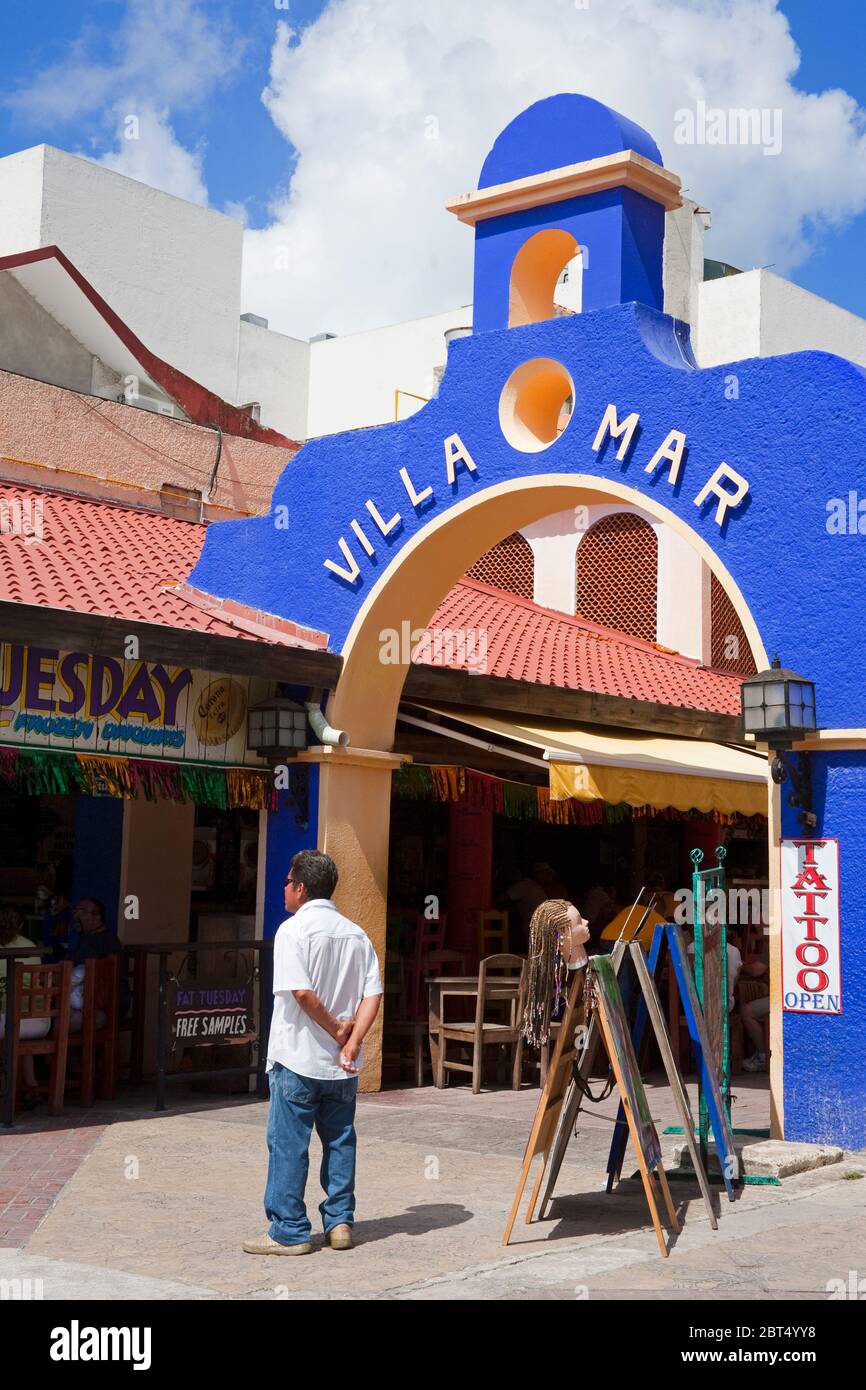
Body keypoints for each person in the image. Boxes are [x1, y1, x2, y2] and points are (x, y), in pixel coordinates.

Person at [243, 849, 383, 1258]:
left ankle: (289, 1229)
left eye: (287, 882)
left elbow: (301, 992)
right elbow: (372, 993)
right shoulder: (356, 934)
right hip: (341, 1065)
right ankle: (339, 1221)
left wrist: (340, 1029)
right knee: (340, 1141)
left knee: (289, 1143)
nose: (284, 889)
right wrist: (353, 1040)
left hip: (299, 1058)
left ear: (301, 888)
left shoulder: (293, 931)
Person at [522, 898, 591, 1048]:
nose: (586, 922)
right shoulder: (554, 972)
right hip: (565, 1034)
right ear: (563, 932)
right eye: (579, 921)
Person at [0, 907, 48, 1104]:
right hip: (37, 1022)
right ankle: (30, 1084)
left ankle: (6, 1086)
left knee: (9, 1023)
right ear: (20, 926)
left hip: (7, 1022)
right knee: (15, 1023)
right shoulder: (32, 948)